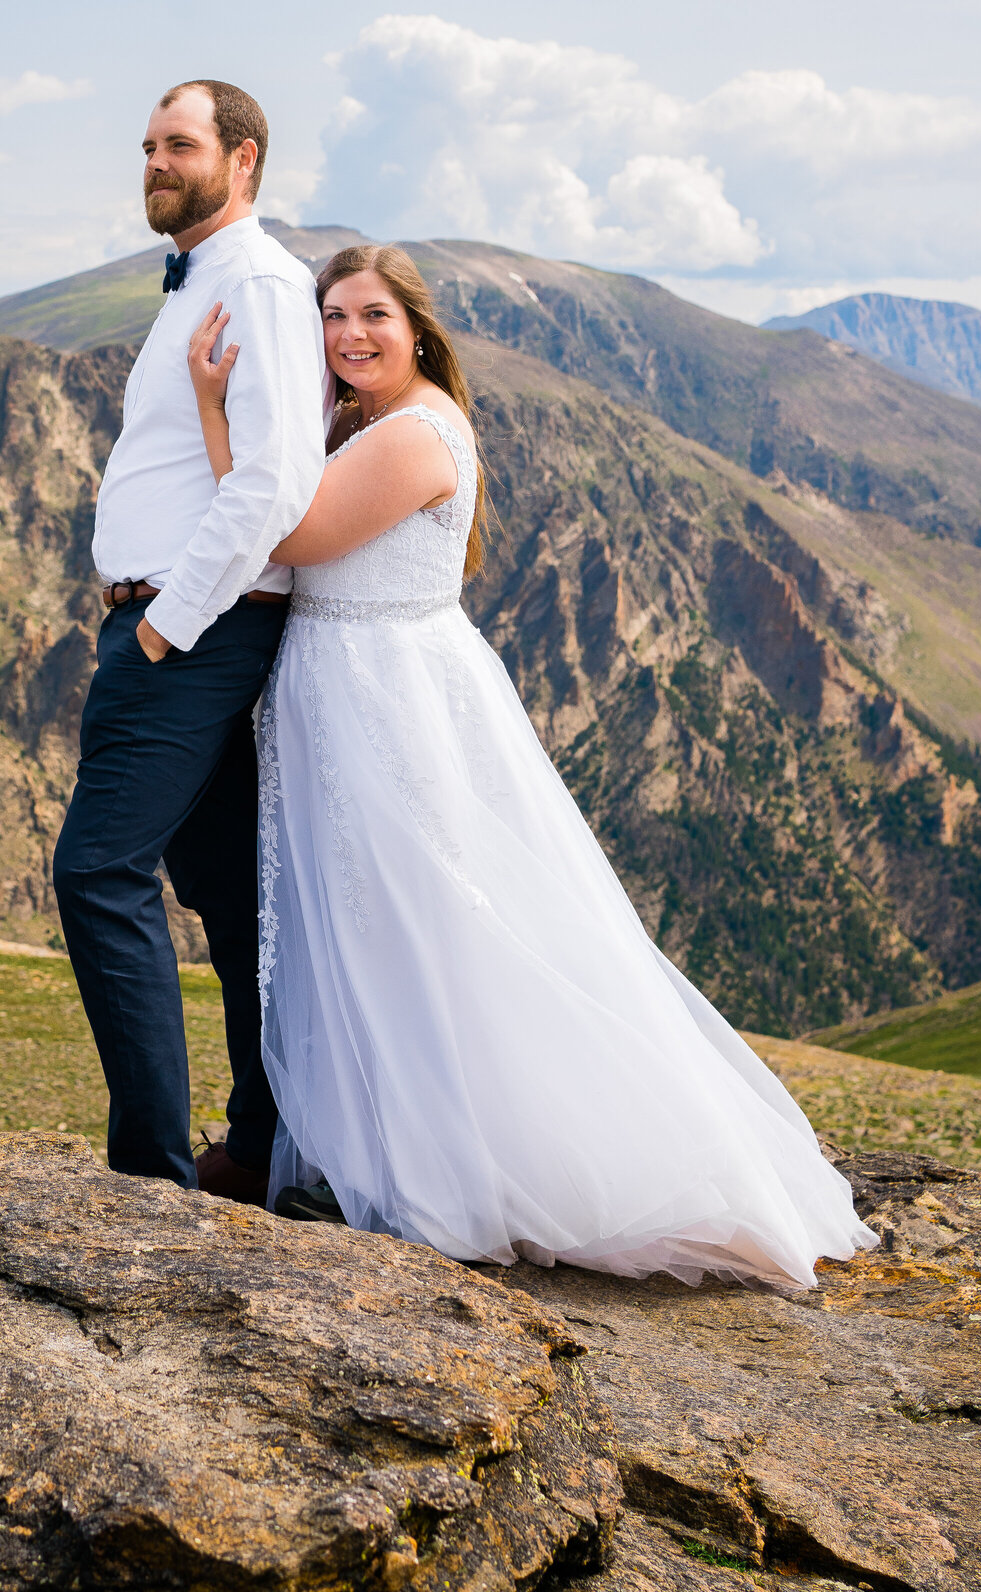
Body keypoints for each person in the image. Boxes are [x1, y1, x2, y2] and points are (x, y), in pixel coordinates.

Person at [186, 242, 875, 1289]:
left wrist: (212, 411)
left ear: (417, 328)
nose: (349, 335)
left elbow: (290, 533)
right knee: (354, 925)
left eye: (370, 314)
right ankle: (357, 1144)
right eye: (329, 318)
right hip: (343, 692)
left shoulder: (414, 432)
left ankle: (440, 1160)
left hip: (385, 698)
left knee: (418, 924)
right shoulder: (364, 421)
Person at [51, 80, 327, 1200]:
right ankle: (255, 1148)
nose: (156, 162)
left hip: (189, 631)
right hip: (177, 623)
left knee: (96, 873)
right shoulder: (204, 280)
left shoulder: (258, 281)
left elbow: (272, 479)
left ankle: (147, 1180)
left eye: (180, 145)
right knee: (227, 894)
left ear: (243, 160)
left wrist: (165, 627)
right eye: (149, 145)